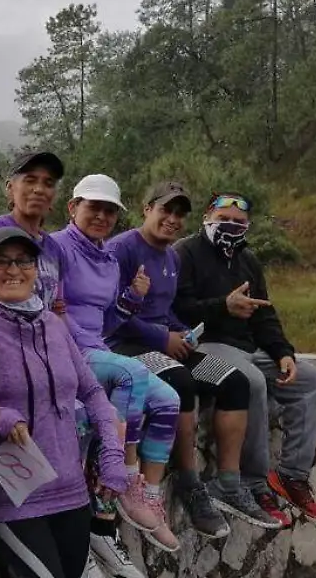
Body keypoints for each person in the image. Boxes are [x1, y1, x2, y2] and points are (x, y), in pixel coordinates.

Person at [0, 227, 126, 578]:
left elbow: (92, 392)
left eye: (24, 261)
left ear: (37, 270)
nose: (14, 270)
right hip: (11, 494)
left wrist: (112, 453)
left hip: (71, 490)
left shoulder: (53, 324)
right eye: (1, 261)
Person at [104, 182, 279, 536]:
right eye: (165, 210)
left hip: (164, 342)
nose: (172, 219)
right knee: (181, 381)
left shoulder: (171, 257)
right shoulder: (121, 249)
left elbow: (166, 310)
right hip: (125, 345)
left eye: (179, 214)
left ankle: (228, 483)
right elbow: (111, 312)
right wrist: (162, 338)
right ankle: (189, 481)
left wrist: (182, 332)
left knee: (234, 382)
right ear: (147, 209)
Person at [173, 191, 316, 526]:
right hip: (205, 345)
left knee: (311, 380)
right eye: (223, 219)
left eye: (238, 222)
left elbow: (264, 315)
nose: (230, 226)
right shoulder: (185, 253)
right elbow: (176, 310)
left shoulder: (247, 260)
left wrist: (283, 352)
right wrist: (223, 306)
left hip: (248, 347)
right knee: (252, 382)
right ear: (207, 217)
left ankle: (291, 475)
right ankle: (251, 483)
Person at [51, 174, 182, 564]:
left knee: (169, 399)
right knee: (132, 374)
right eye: (93, 207)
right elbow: (55, 316)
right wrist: (86, 340)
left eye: (109, 211)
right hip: (69, 349)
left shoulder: (108, 259)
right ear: (73, 207)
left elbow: (106, 323)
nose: (102, 216)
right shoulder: (56, 248)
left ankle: (149, 495)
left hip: (98, 348)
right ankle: (123, 476)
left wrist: (130, 298)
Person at [0, 151, 67, 312]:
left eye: (48, 184)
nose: (39, 190)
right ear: (10, 188)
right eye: (30, 180)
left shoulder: (54, 248)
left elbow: (58, 306)